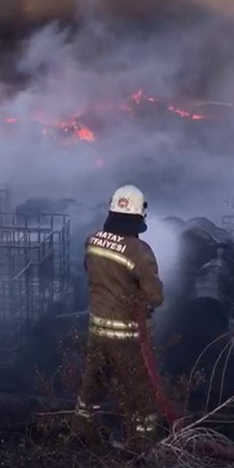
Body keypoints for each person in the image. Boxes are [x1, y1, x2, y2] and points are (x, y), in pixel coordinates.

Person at [74, 184, 164, 445]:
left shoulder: (92, 240)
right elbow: (155, 297)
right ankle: (141, 444)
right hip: (126, 335)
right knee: (140, 392)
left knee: (93, 384)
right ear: (139, 215)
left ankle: (81, 433)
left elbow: (91, 270)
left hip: (97, 328)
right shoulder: (139, 250)